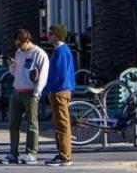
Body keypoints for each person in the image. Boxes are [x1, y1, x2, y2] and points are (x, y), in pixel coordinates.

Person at [1, 28, 49, 165]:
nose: (18, 47)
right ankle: (13, 153)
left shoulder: (39, 54)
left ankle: (31, 153)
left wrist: (37, 92)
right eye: (16, 45)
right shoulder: (19, 53)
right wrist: (11, 66)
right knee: (13, 124)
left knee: (31, 124)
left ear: (27, 41)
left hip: (30, 92)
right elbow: (15, 72)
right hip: (17, 91)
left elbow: (43, 75)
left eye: (19, 44)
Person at [44, 24, 77, 167]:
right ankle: (62, 153)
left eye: (50, 33)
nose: (48, 36)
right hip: (58, 90)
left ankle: (65, 156)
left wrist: (52, 89)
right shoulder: (60, 50)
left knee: (62, 124)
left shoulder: (61, 51)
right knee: (58, 123)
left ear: (56, 36)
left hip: (60, 91)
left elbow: (61, 73)